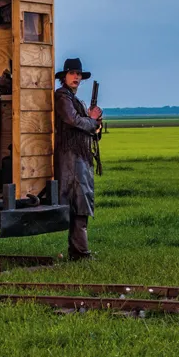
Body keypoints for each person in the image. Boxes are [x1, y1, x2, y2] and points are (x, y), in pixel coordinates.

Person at [54, 58, 102, 261]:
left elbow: (89, 127)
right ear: (64, 77)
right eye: (72, 73)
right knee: (78, 203)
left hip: (79, 158)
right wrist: (91, 120)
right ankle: (80, 253)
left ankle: (79, 250)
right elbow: (73, 120)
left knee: (81, 204)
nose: (76, 77)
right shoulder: (62, 97)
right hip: (71, 158)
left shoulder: (74, 99)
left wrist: (95, 122)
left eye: (78, 74)